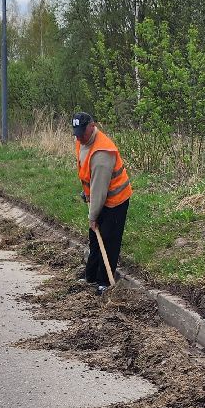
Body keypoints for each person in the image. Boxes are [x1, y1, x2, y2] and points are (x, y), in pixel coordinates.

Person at [72, 111, 131, 293]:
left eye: (83, 132)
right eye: (77, 133)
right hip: (99, 195)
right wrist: (86, 192)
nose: (80, 136)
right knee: (94, 238)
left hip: (115, 200)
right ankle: (90, 275)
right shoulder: (82, 141)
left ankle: (104, 282)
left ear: (92, 126)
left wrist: (93, 216)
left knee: (108, 240)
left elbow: (100, 189)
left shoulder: (102, 153)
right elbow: (87, 173)